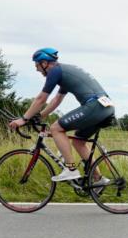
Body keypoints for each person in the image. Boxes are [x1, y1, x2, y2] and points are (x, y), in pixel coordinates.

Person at [8, 48, 116, 182]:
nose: (37, 69)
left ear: (44, 63)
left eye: (37, 65)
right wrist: (41, 115)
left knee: (56, 129)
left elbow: (41, 98)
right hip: (105, 107)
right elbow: (57, 99)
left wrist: (23, 119)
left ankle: (71, 169)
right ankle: (98, 179)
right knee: (78, 141)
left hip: (95, 106)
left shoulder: (55, 71)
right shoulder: (64, 71)